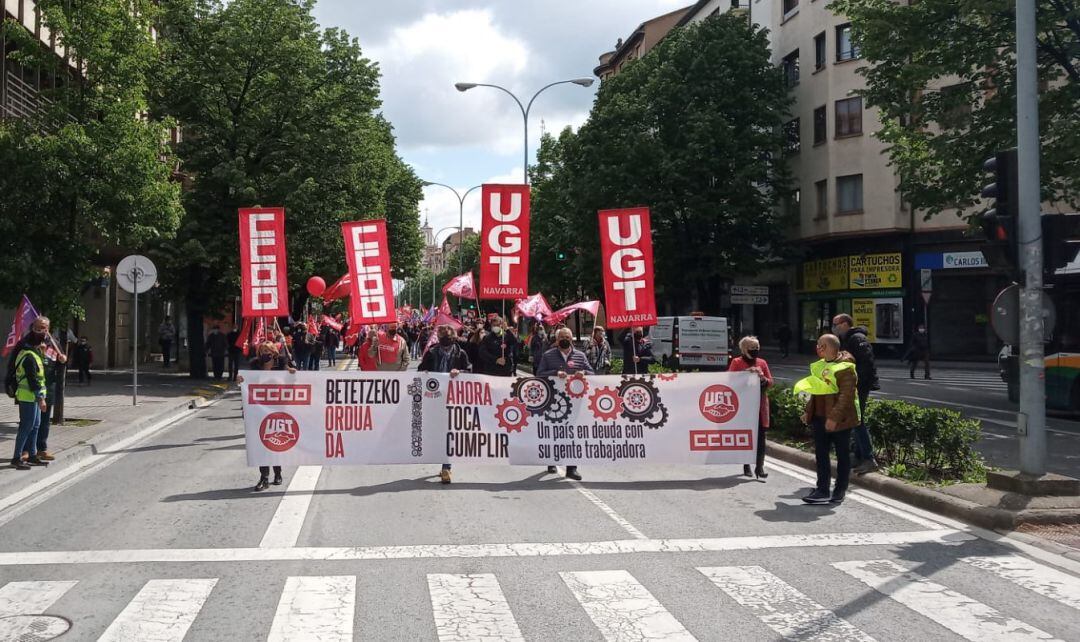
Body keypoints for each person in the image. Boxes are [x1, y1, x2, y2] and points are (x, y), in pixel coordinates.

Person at [799, 334, 859, 505]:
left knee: (842, 455)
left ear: (826, 347)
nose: (817, 347)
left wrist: (833, 418)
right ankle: (822, 489)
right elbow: (815, 391)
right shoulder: (820, 366)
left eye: (819, 345)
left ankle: (840, 490)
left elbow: (846, 397)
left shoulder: (846, 367)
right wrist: (808, 412)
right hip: (819, 417)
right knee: (821, 454)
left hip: (841, 420)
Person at [536, 327, 593, 481]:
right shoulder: (548, 355)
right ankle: (551, 461)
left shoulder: (580, 356)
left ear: (572, 338)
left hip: (575, 403)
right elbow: (539, 374)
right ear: (557, 339)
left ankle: (572, 468)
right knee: (555, 432)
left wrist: (584, 373)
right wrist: (555, 373)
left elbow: (592, 372)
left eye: (568, 336)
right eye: (562, 336)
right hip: (555, 402)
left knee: (572, 434)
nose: (565, 338)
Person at [419, 325, 471, 484]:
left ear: (454, 338)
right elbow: (421, 370)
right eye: (442, 339)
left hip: (454, 399)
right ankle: (443, 462)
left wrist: (460, 373)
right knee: (437, 432)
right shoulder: (432, 352)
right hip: (435, 398)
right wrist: (425, 373)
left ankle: (446, 467)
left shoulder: (461, 353)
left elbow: (469, 371)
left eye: (448, 339)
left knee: (449, 432)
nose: (445, 342)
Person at [244, 341, 296, 490]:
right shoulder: (255, 364)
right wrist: (241, 379)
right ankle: (264, 477)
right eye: (262, 350)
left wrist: (290, 370)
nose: (265, 353)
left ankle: (278, 473)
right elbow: (249, 380)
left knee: (275, 442)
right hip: (259, 407)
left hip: (278, 406)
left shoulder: (282, 362)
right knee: (262, 442)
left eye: (268, 350)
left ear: (274, 351)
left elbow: (290, 376)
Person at [832, 313, 879, 475]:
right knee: (854, 420)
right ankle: (859, 456)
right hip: (853, 385)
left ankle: (868, 458)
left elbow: (867, 364)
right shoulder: (848, 339)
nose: (834, 327)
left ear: (845, 324)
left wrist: (855, 384)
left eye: (836, 324)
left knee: (857, 420)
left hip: (859, 386)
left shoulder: (857, 339)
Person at [727, 335, 772, 480]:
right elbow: (730, 380)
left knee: (761, 437)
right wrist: (746, 375)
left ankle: (759, 466)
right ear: (744, 349)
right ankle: (746, 464)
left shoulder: (762, 363)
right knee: (746, 437)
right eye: (752, 348)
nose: (755, 351)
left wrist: (763, 378)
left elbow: (771, 381)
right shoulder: (737, 362)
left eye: (757, 348)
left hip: (760, 406)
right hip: (744, 406)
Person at [10, 332, 50, 469]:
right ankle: (17, 457)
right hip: (28, 397)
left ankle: (32, 455)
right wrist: (41, 399)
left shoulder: (33, 354)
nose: (45, 345)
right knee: (26, 427)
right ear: (38, 343)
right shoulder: (29, 357)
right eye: (43, 342)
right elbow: (33, 381)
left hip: (32, 397)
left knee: (35, 425)